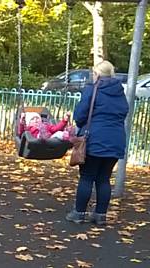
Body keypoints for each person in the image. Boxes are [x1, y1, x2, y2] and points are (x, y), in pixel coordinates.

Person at [65, 60, 128, 225]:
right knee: (104, 178)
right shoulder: (120, 93)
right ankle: (100, 215)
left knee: (86, 177)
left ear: (97, 74)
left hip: (94, 139)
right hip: (116, 141)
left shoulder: (92, 91)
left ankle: (79, 213)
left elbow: (80, 116)